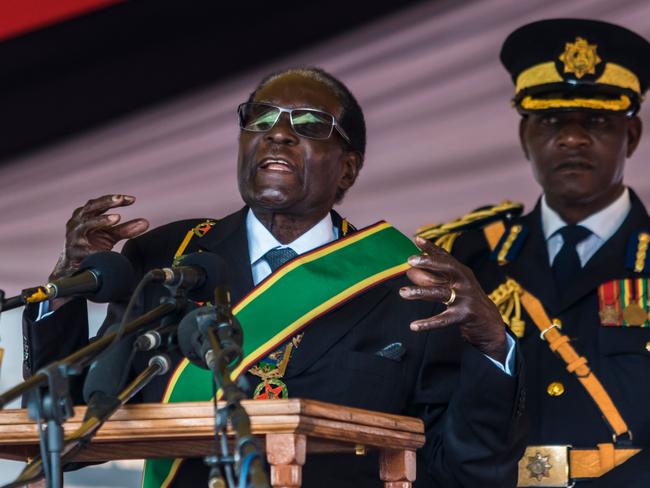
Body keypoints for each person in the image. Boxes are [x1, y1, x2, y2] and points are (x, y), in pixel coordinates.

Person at [23, 67, 525, 487]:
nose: (278, 132)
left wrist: (491, 347)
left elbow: (458, 471)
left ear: (347, 169)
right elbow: (76, 424)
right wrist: (66, 287)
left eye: (309, 124)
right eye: (259, 117)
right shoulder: (169, 256)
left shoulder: (408, 285)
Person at [416, 19, 650, 487]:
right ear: (525, 136)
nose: (572, 139)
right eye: (551, 121)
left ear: (633, 136)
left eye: (598, 122)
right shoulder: (467, 260)